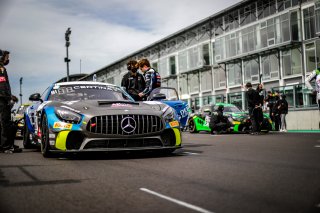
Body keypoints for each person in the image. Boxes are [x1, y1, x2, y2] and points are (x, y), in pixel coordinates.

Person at [0, 50, 22, 153]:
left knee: (5, 123)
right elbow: (2, 86)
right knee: (4, 123)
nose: (8, 59)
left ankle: (8, 144)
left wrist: (10, 96)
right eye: (6, 57)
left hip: (3, 99)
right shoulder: (1, 69)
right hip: (2, 101)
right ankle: (6, 146)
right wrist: (9, 98)